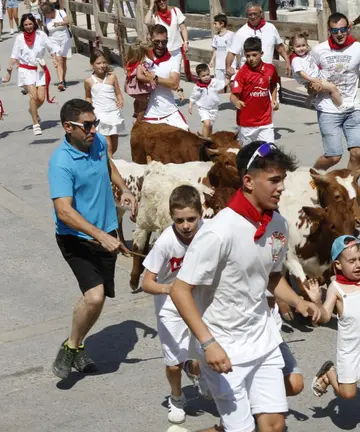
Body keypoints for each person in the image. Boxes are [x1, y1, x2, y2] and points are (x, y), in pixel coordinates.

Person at [169, 141, 321, 432]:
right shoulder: (218, 232)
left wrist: (299, 301)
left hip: (262, 339)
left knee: (274, 426)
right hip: (224, 347)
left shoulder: (277, 224)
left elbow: (272, 277)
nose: (281, 188)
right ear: (248, 181)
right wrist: (208, 344)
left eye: (282, 180)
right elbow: (179, 289)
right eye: (274, 180)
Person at [49, 99, 138, 380]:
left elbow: (108, 164)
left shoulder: (96, 141)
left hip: (107, 232)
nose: (93, 129)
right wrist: (100, 236)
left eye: (95, 123)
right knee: (95, 295)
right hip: (77, 238)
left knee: (96, 301)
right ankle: (70, 346)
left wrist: (123, 188)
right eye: (87, 125)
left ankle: (78, 344)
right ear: (68, 127)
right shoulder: (61, 162)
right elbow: (64, 211)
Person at [307, 235, 360, 432]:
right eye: (351, 261)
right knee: (347, 394)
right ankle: (329, 372)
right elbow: (326, 315)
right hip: (350, 350)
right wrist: (317, 302)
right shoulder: (335, 288)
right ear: (338, 264)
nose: (358, 265)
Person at [140, 185, 208, 425]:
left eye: (191, 219)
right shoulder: (165, 243)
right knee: (173, 364)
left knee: (206, 351)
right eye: (180, 220)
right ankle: (177, 397)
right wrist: (170, 289)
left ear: (202, 213)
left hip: (201, 300)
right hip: (170, 307)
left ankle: (195, 368)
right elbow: (147, 282)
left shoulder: (209, 233)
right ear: (172, 218)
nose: (186, 225)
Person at [309, 12, 360, 171]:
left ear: (348, 28)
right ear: (329, 31)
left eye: (343, 29)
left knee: (357, 152)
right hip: (328, 109)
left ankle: (348, 189)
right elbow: (308, 79)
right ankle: (311, 177)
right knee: (333, 156)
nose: (339, 34)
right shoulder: (319, 51)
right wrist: (312, 87)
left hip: (352, 108)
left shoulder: (359, 49)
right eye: (335, 31)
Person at [3, 13, 56, 136]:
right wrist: (9, 70)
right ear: (22, 25)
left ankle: (32, 110)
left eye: (30, 24)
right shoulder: (19, 38)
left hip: (39, 69)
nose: (28, 27)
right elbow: (14, 55)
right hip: (25, 70)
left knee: (41, 98)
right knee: (33, 96)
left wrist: (54, 59)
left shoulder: (41, 35)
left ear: (34, 23)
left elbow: (51, 48)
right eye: (25, 24)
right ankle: (36, 123)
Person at [137, 25, 187, 131]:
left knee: (187, 140)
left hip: (170, 112)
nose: (160, 45)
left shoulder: (173, 59)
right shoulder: (143, 57)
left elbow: (174, 84)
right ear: (151, 40)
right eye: (157, 42)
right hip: (148, 114)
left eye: (164, 42)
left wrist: (154, 78)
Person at [231, 37, 279, 145]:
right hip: (246, 123)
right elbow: (233, 96)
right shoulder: (242, 74)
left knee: (268, 149)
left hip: (265, 121)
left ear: (261, 53)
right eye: (248, 56)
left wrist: (274, 99)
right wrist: (236, 102)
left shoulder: (270, 69)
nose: (251, 58)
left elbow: (273, 83)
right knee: (248, 155)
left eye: (254, 55)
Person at [226, 3, 291, 81]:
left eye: (255, 14)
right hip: (249, 74)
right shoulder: (241, 32)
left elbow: (280, 47)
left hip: (267, 73)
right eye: (250, 14)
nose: (253, 17)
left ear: (261, 14)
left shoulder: (271, 28)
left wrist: (287, 61)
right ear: (247, 15)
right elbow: (232, 52)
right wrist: (228, 67)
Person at [287, 31, 348, 109]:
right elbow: (300, 72)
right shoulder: (296, 60)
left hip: (318, 77)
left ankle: (311, 97)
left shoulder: (307, 55)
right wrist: (312, 79)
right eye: (298, 46)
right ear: (292, 48)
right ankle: (341, 106)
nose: (301, 48)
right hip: (311, 81)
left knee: (335, 82)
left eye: (303, 45)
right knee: (332, 88)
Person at [84, 50, 125, 158]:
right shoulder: (89, 81)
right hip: (100, 114)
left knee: (114, 144)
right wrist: (89, 106)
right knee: (108, 146)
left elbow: (118, 93)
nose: (101, 66)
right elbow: (88, 96)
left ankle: (103, 160)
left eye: (103, 62)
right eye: (98, 63)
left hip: (113, 113)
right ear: (92, 65)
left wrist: (120, 100)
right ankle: (109, 170)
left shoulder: (112, 77)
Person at [144, 0, 190, 79]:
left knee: (175, 76)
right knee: (163, 75)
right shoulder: (155, 16)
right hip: (162, 51)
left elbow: (183, 28)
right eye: (159, 1)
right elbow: (147, 21)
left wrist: (185, 42)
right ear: (156, 3)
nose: (162, 2)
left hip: (176, 51)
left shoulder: (176, 11)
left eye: (164, 0)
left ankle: (177, 90)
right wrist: (151, 5)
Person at [41, 2, 71, 91]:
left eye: (47, 14)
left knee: (63, 60)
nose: (47, 16)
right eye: (45, 14)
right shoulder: (45, 18)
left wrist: (58, 24)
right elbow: (45, 30)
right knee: (59, 60)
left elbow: (67, 21)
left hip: (65, 38)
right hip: (53, 40)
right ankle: (61, 82)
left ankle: (63, 79)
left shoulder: (61, 12)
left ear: (52, 11)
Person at [188, 63, 223, 138]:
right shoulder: (197, 87)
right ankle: (203, 140)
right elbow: (193, 97)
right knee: (207, 124)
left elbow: (223, 84)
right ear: (199, 77)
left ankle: (208, 139)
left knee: (210, 126)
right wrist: (190, 105)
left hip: (214, 108)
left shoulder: (214, 82)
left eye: (207, 74)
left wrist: (229, 78)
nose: (206, 77)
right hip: (203, 108)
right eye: (203, 76)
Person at [123, 42, 152, 121]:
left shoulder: (130, 65)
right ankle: (138, 121)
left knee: (138, 100)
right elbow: (140, 76)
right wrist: (150, 78)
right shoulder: (140, 65)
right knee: (144, 103)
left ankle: (136, 112)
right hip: (139, 89)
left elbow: (127, 77)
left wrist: (125, 87)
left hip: (132, 89)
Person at [209, 13, 234, 91]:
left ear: (222, 24)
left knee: (232, 84)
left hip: (230, 65)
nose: (214, 26)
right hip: (219, 66)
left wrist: (237, 63)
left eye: (215, 23)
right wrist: (212, 60)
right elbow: (215, 49)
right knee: (219, 86)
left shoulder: (231, 35)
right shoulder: (216, 36)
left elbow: (236, 50)